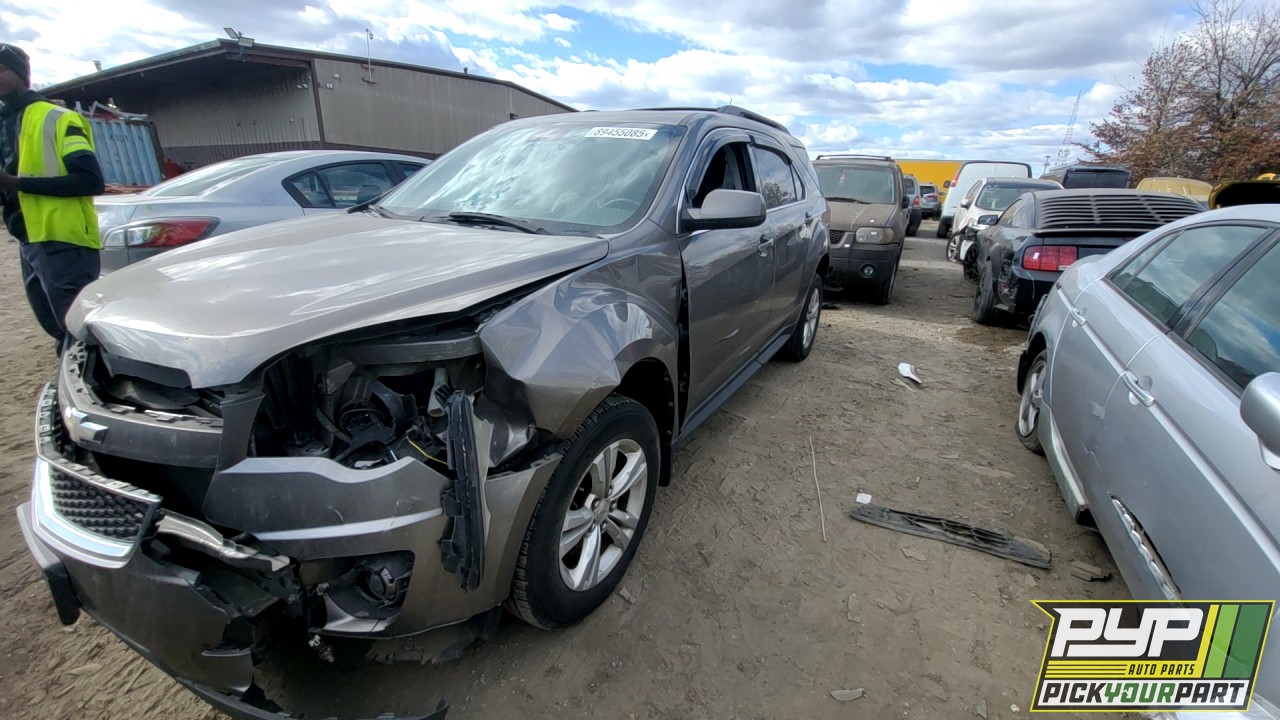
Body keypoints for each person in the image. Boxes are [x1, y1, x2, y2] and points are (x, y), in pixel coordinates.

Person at [0, 43, 105, 356]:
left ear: (21, 74)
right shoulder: (6, 124)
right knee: (57, 328)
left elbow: (90, 181)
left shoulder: (57, 118)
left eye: (1, 70)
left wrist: (15, 183)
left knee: (79, 328)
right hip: (28, 237)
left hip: (64, 241)